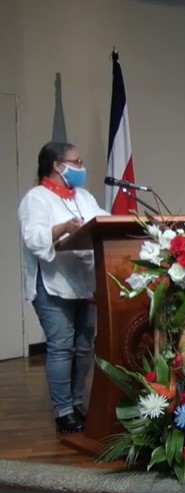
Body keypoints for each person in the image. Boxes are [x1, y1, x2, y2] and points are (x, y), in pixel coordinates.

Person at [18, 141, 109, 433]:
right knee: (61, 347)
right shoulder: (36, 199)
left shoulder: (83, 196)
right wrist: (63, 228)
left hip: (84, 282)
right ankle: (63, 410)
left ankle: (77, 402)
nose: (82, 167)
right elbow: (34, 239)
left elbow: (104, 222)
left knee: (84, 347)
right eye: (76, 162)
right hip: (52, 284)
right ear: (58, 166)